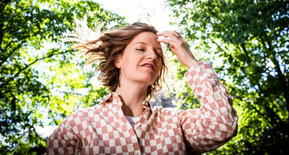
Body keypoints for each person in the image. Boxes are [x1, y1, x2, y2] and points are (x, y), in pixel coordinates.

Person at [46, 22, 238, 154]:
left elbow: (223, 126)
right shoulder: (79, 124)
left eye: (158, 55)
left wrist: (191, 62)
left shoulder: (176, 123)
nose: (153, 57)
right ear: (118, 60)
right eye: (140, 49)